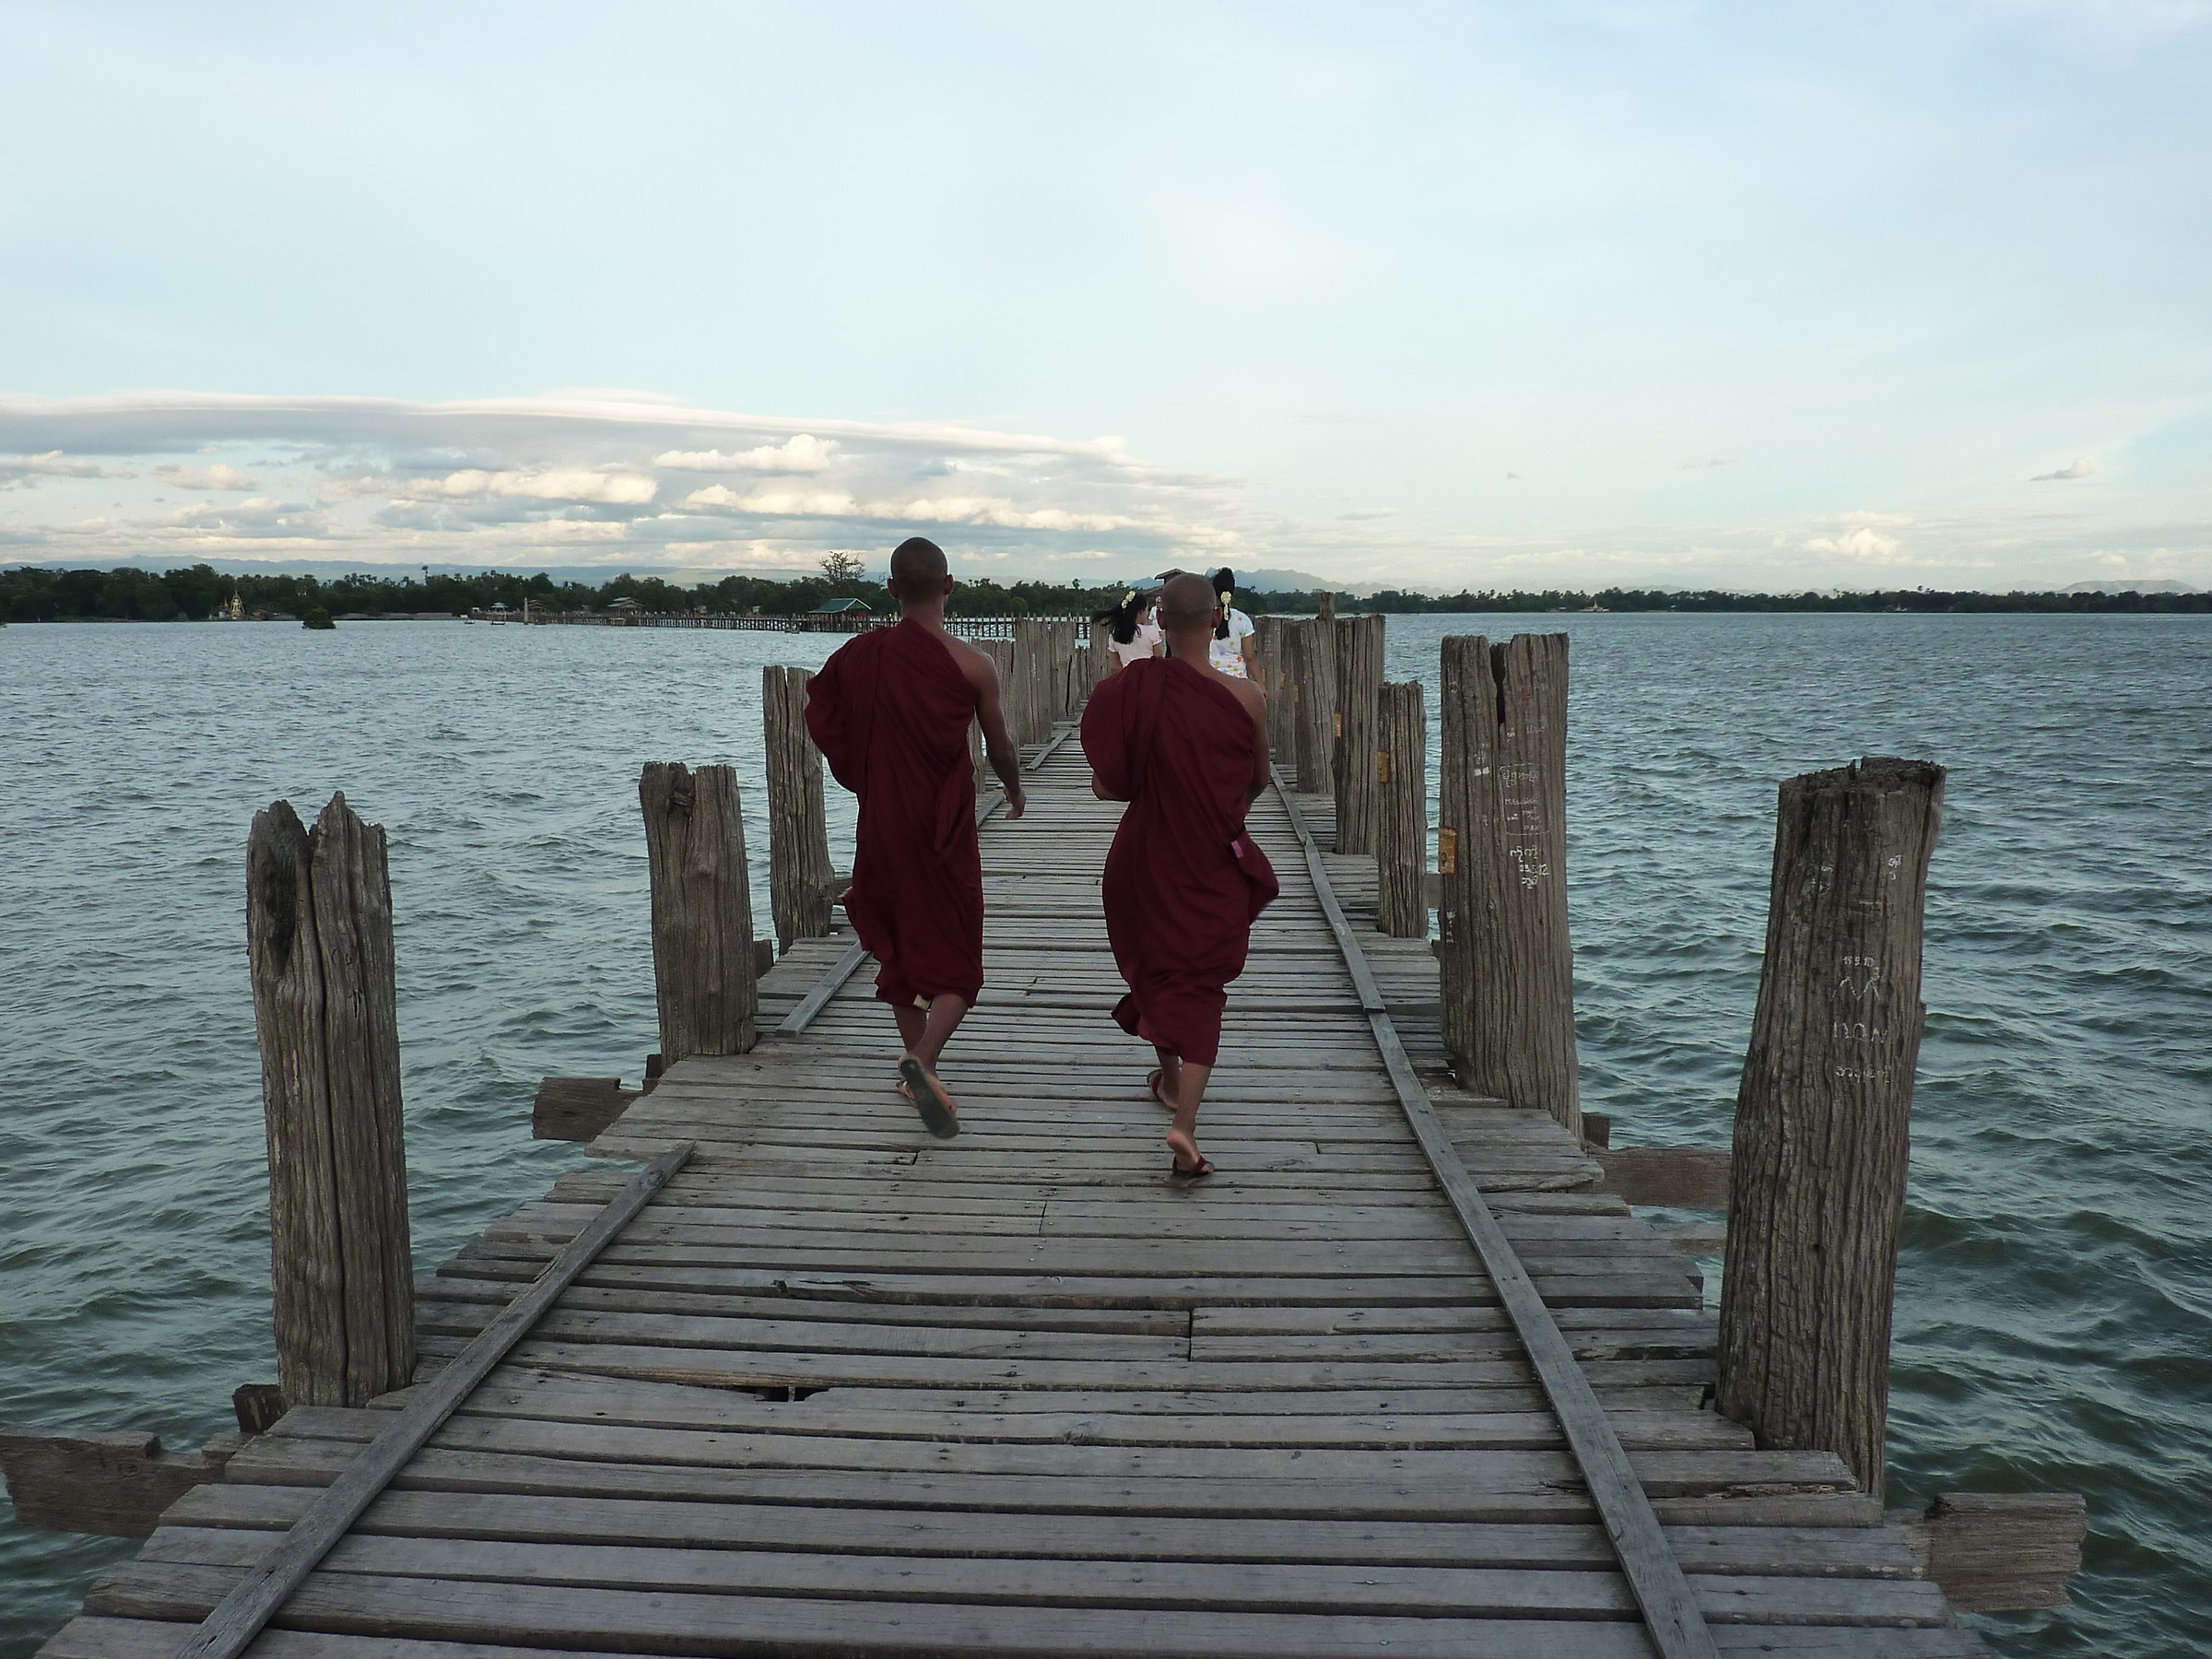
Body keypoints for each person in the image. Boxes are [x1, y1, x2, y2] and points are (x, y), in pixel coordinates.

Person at [806, 536, 1025, 1137]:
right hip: (943, 825)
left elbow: (826, 718)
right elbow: (998, 745)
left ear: (892, 590)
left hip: (882, 823)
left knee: (902, 949)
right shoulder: (972, 665)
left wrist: (868, 771)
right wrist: (1014, 790)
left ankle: (919, 1074)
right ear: (949, 586)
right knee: (959, 965)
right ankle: (921, 1062)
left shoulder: (857, 655)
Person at [1081, 571, 1277, 1178]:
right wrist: (1220, 809)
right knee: (1200, 985)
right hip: (1209, 856)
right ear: (1218, 624)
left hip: (1141, 859)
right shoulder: (1246, 698)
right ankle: (1185, 1127)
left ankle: (1168, 1082)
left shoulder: (1135, 689)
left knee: (1157, 967)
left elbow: (1105, 783)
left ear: (1159, 621)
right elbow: (1258, 779)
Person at [1207, 567, 1260, 680]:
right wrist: (1260, 684)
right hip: (1238, 681)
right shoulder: (1242, 620)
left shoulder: (1204, 619)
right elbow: (1249, 657)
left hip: (1209, 680)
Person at [1092, 587, 1162, 672]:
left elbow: (1114, 665)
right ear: (1141, 611)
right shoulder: (1152, 632)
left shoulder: (1115, 635)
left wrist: (1129, 672)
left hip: (1127, 680)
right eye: (1147, 610)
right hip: (1149, 678)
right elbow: (1159, 661)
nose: (1147, 613)